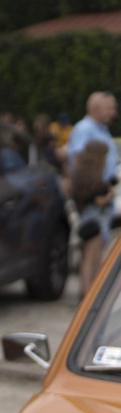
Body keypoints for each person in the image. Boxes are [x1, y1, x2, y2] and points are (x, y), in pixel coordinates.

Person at [67, 91, 118, 298]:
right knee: (91, 249)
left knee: (98, 246)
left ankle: (92, 295)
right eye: (110, 108)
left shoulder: (101, 130)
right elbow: (80, 164)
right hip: (92, 198)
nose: (114, 113)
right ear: (96, 108)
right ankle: (88, 296)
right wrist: (93, 192)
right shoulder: (85, 129)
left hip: (100, 195)